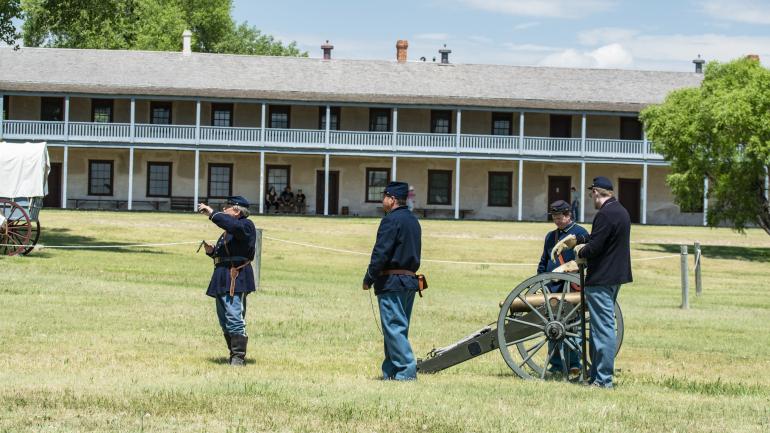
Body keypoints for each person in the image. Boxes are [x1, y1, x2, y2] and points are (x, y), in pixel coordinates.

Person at [551, 176, 632, 388]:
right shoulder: (620, 211)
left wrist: (580, 250)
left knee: (603, 329)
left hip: (601, 277)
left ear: (597, 192)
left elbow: (595, 248)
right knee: (598, 329)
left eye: (591, 194)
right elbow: (601, 239)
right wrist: (578, 239)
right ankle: (597, 377)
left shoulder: (605, 214)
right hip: (615, 276)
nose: (591, 198)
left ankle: (603, 380)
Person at [362, 181, 422, 380]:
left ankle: (406, 371)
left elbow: (381, 253)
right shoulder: (413, 221)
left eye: (385, 196)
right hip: (409, 281)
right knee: (396, 328)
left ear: (393, 199)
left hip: (391, 281)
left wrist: (369, 277)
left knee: (394, 328)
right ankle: (391, 371)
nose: (382, 200)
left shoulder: (390, 220)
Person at [198, 196, 258, 366]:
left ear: (237, 210)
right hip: (222, 275)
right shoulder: (229, 230)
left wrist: (212, 213)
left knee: (234, 316)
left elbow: (232, 225)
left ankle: (238, 358)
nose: (224, 209)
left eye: (228, 207)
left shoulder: (246, 225)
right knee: (224, 319)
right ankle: (233, 354)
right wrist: (212, 252)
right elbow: (226, 253)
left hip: (235, 276)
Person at [537, 200, 588, 377]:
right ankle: (556, 364)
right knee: (552, 327)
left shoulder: (581, 233)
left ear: (568, 215)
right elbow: (544, 260)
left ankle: (574, 364)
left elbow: (584, 262)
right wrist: (539, 281)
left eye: (559, 218)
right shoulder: (550, 236)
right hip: (553, 287)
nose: (557, 221)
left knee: (574, 329)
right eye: (554, 218)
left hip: (572, 287)